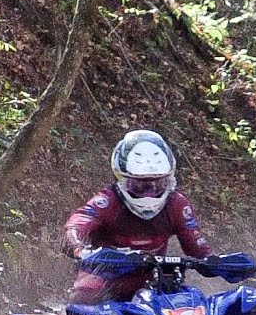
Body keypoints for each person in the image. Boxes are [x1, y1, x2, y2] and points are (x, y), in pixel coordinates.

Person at [62, 130, 213, 304]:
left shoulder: (177, 204)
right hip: (105, 277)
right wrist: (80, 250)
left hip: (154, 282)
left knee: (187, 299)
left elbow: (198, 249)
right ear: (122, 180)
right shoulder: (108, 201)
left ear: (169, 180)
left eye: (158, 184)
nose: (149, 192)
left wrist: (217, 263)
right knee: (87, 293)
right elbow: (76, 225)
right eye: (140, 185)